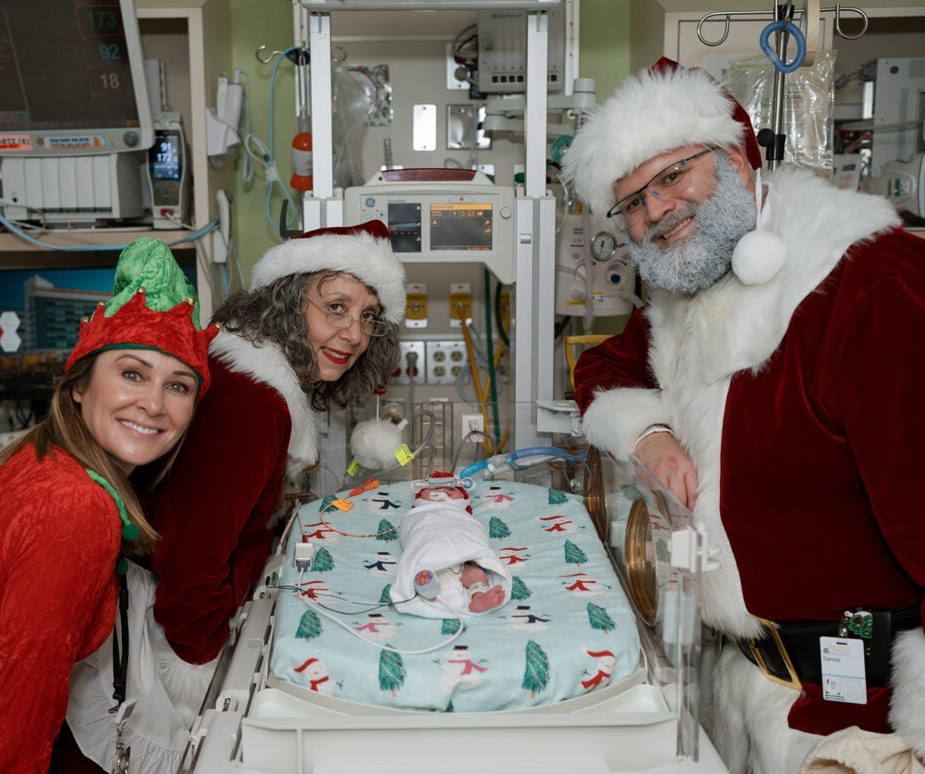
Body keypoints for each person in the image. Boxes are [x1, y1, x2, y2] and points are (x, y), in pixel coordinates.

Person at [563, 58, 925, 773]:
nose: (656, 212)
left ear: (735, 157)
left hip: (858, 728)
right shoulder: (689, 300)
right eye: (631, 201)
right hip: (743, 691)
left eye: (673, 176)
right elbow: (601, 366)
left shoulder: (869, 289)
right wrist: (651, 432)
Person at [62, 220, 405, 772]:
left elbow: (206, 502)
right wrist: (201, 662)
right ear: (288, 304)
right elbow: (192, 554)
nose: (355, 334)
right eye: (335, 307)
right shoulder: (256, 403)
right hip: (167, 639)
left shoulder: (240, 372)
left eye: (367, 317)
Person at [0, 237, 218, 773]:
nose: (154, 404)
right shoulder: (76, 507)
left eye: (179, 386)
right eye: (132, 373)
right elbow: (19, 714)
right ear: (79, 385)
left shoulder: (45, 458)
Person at [390, 471, 511, 618]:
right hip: (430, 547)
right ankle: (427, 589)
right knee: (425, 572)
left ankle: (478, 596)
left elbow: (472, 530)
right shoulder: (418, 514)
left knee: (476, 573)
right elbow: (413, 532)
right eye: (433, 489)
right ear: (419, 498)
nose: (443, 491)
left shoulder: (462, 515)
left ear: (463, 501)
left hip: (464, 561)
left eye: (452, 489)